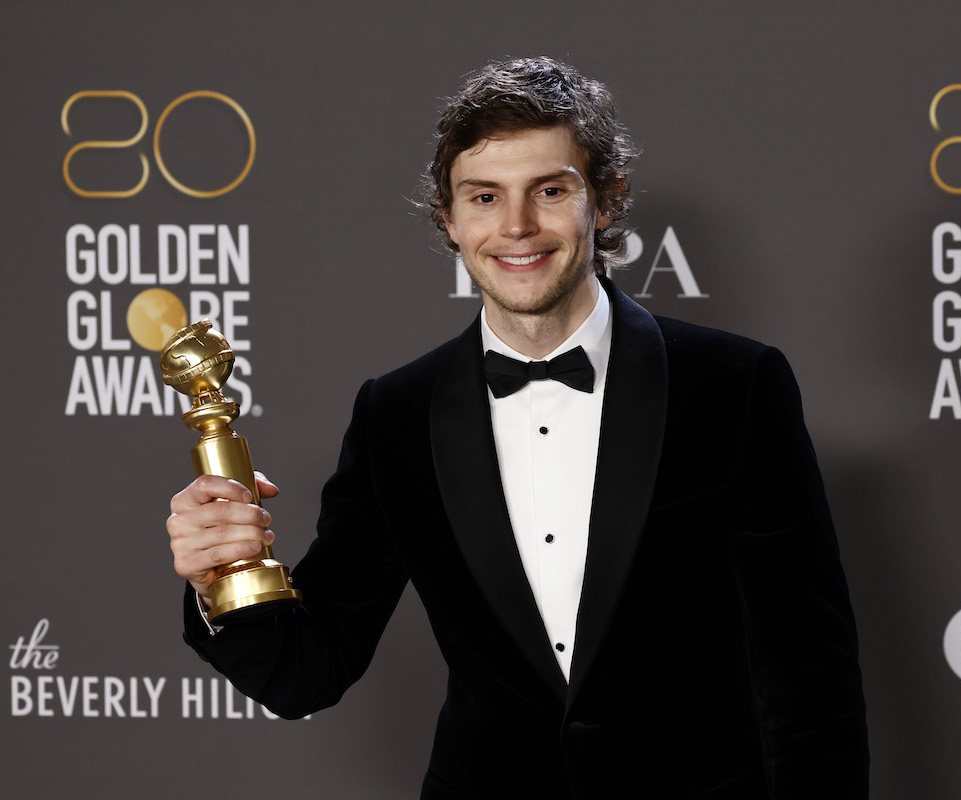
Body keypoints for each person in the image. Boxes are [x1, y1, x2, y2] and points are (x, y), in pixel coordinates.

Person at [167, 56, 869, 799]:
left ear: (604, 201)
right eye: (484, 197)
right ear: (449, 217)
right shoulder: (396, 415)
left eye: (550, 190)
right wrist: (221, 580)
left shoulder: (734, 386)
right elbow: (310, 671)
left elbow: (810, 677)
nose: (516, 227)